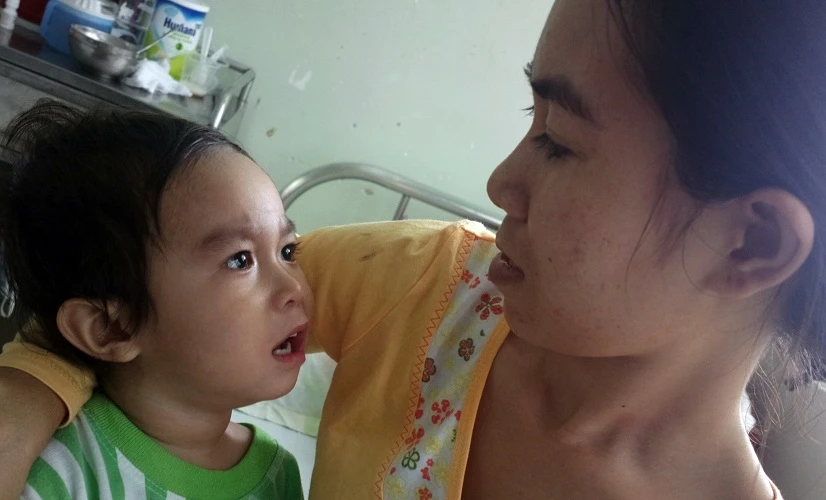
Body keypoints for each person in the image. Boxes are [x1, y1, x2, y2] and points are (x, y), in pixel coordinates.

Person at [2, 0, 825, 497]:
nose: (501, 181)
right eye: (529, 120)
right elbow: (136, 297)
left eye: (560, 141)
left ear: (750, 242)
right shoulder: (428, 286)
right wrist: (18, 409)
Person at [0, 101, 307, 499]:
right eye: (240, 260)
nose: (295, 288)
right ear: (112, 327)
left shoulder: (278, 475)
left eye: (287, 251)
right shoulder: (57, 470)